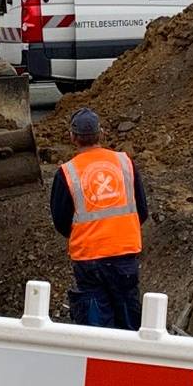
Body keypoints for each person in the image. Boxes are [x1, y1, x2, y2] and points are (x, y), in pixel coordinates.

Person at [49, 108, 148, 329]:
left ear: (72, 137)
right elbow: (141, 209)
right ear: (101, 133)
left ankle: (98, 361)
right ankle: (129, 362)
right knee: (129, 320)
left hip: (89, 258)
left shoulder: (67, 172)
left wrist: (89, 232)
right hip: (124, 253)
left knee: (96, 326)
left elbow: (61, 221)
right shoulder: (125, 164)